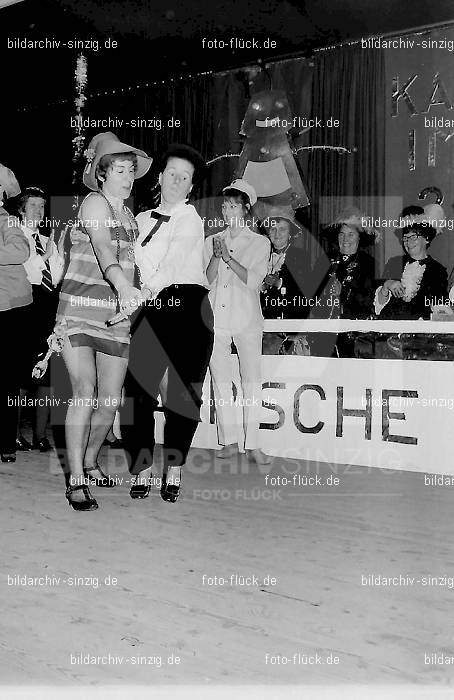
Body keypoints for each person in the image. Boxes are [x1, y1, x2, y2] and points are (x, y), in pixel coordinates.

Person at [56, 132, 151, 510]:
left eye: (131, 171)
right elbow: (102, 247)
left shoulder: (129, 215)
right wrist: (124, 285)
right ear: (102, 174)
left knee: (110, 401)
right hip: (78, 309)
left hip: (115, 315)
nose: (129, 178)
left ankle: (91, 459)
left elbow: (131, 260)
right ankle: (76, 480)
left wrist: (141, 289)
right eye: (121, 171)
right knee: (86, 391)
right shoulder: (94, 205)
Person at [121, 144, 213, 503]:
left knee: (184, 394)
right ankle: (141, 469)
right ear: (159, 176)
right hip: (149, 309)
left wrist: (143, 289)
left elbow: (170, 266)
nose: (176, 180)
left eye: (184, 177)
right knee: (137, 392)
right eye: (171, 173)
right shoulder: (139, 220)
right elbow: (127, 261)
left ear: (191, 187)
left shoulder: (190, 217)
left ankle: (174, 469)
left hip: (188, 306)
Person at [204, 179, 272, 465]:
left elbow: (254, 281)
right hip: (216, 319)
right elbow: (205, 279)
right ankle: (229, 441)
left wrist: (227, 259)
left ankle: (253, 444)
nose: (227, 211)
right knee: (220, 381)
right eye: (224, 206)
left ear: (245, 209)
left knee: (251, 381)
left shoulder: (259, 242)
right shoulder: (212, 240)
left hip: (247, 319)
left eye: (233, 206)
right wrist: (216, 258)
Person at [17, 187, 65, 452]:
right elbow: (25, 272)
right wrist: (44, 257)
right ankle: (11, 434)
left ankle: (39, 435)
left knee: (46, 369)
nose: (39, 211)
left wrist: (56, 257)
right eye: (33, 205)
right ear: (22, 210)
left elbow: (55, 277)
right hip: (24, 305)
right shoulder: (14, 237)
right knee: (20, 371)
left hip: (48, 306)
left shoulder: (49, 240)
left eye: (42, 206)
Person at [310, 207, 377, 357]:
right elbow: (311, 295)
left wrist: (344, 292)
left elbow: (368, 300)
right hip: (324, 334)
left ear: (360, 237)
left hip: (355, 338)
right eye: (342, 234)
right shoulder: (324, 260)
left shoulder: (369, 264)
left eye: (351, 234)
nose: (345, 240)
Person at [0, 165, 33, 463]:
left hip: (10, 309)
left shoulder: (8, 221)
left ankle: (6, 441)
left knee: (7, 377)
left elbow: (21, 252)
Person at [260, 206, 312, 355]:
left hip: (289, 330)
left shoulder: (301, 257)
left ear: (290, 233)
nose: (277, 234)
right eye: (273, 229)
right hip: (260, 328)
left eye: (282, 229)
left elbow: (304, 294)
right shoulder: (259, 255)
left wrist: (278, 283)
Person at [375, 216, 448, 320]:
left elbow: (440, 309)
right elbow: (377, 307)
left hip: (417, 330)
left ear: (426, 238)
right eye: (405, 238)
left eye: (414, 237)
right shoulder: (394, 263)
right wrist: (386, 285)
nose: (408, 242)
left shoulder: (438, 271)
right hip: (388, 326)